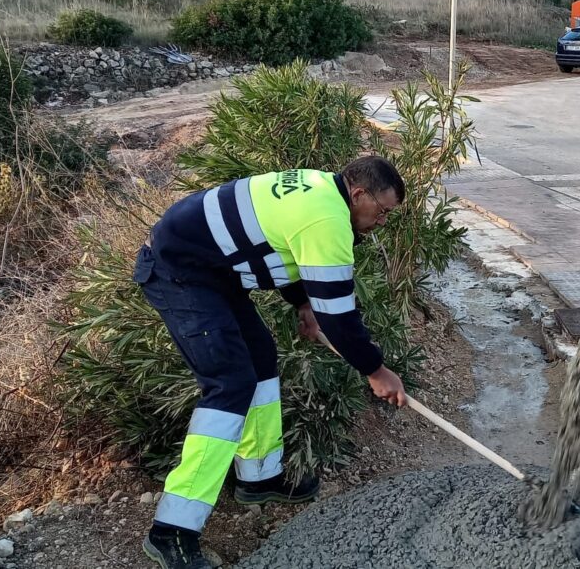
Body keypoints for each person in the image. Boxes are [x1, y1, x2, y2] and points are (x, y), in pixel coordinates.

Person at [134, 155, 409, 569]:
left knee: (260, 360)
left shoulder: (320, 187)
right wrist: (376, 371)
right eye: (382, 211)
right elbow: (339, 317)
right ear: (358, 194)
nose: (382, 221)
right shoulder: (327, 220)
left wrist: (301, 302)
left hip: (212, 272)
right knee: (229, 385)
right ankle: (172, 529)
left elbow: (280, 241)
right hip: (179, 272)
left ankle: (261, 476)